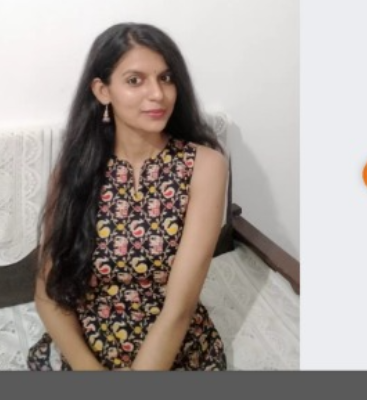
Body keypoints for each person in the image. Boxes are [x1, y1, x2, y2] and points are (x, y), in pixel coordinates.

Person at [27, 22, 228, 371]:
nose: (158, 94)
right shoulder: (74, 172)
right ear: (102, 91)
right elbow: (48, 295)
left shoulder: (204, 166)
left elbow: (179, 308)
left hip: (171, 351)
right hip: (87, 350)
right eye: (135, 80)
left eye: (166, 78)